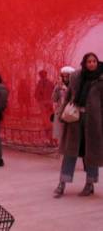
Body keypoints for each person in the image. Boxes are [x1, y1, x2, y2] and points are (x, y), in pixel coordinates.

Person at [54, 53, 103, 198]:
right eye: (89, 61)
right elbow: (68, 96)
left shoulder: (101, 80)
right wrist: (61, 114)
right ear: (84, 63)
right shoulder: (76, 77)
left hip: (93, 121)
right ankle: (62, 183)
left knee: (91, 154)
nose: (92, 64)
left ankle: (90, 183)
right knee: (70, 153)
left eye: (94, 61)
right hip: (75, 120)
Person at [51, 66, 75, 142]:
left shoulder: (75, 86)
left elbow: (75, 97)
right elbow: (54, 98)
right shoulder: (58, 86)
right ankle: (60, 151)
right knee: (60, 132)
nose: (65, 77)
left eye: (67, 75)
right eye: (63, 75)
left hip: (71, 111)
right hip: (60, 111)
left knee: (70, 133)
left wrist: (66, 89)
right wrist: (57, 88)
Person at [35, 70, 54, 144]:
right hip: (50, 104)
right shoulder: (50, 83)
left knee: (45, 122)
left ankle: (49, 138)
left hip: (43, 104)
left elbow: (36, 94)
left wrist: (40, 100)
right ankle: (51, 138)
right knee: (50, 121)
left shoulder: (40, 83)